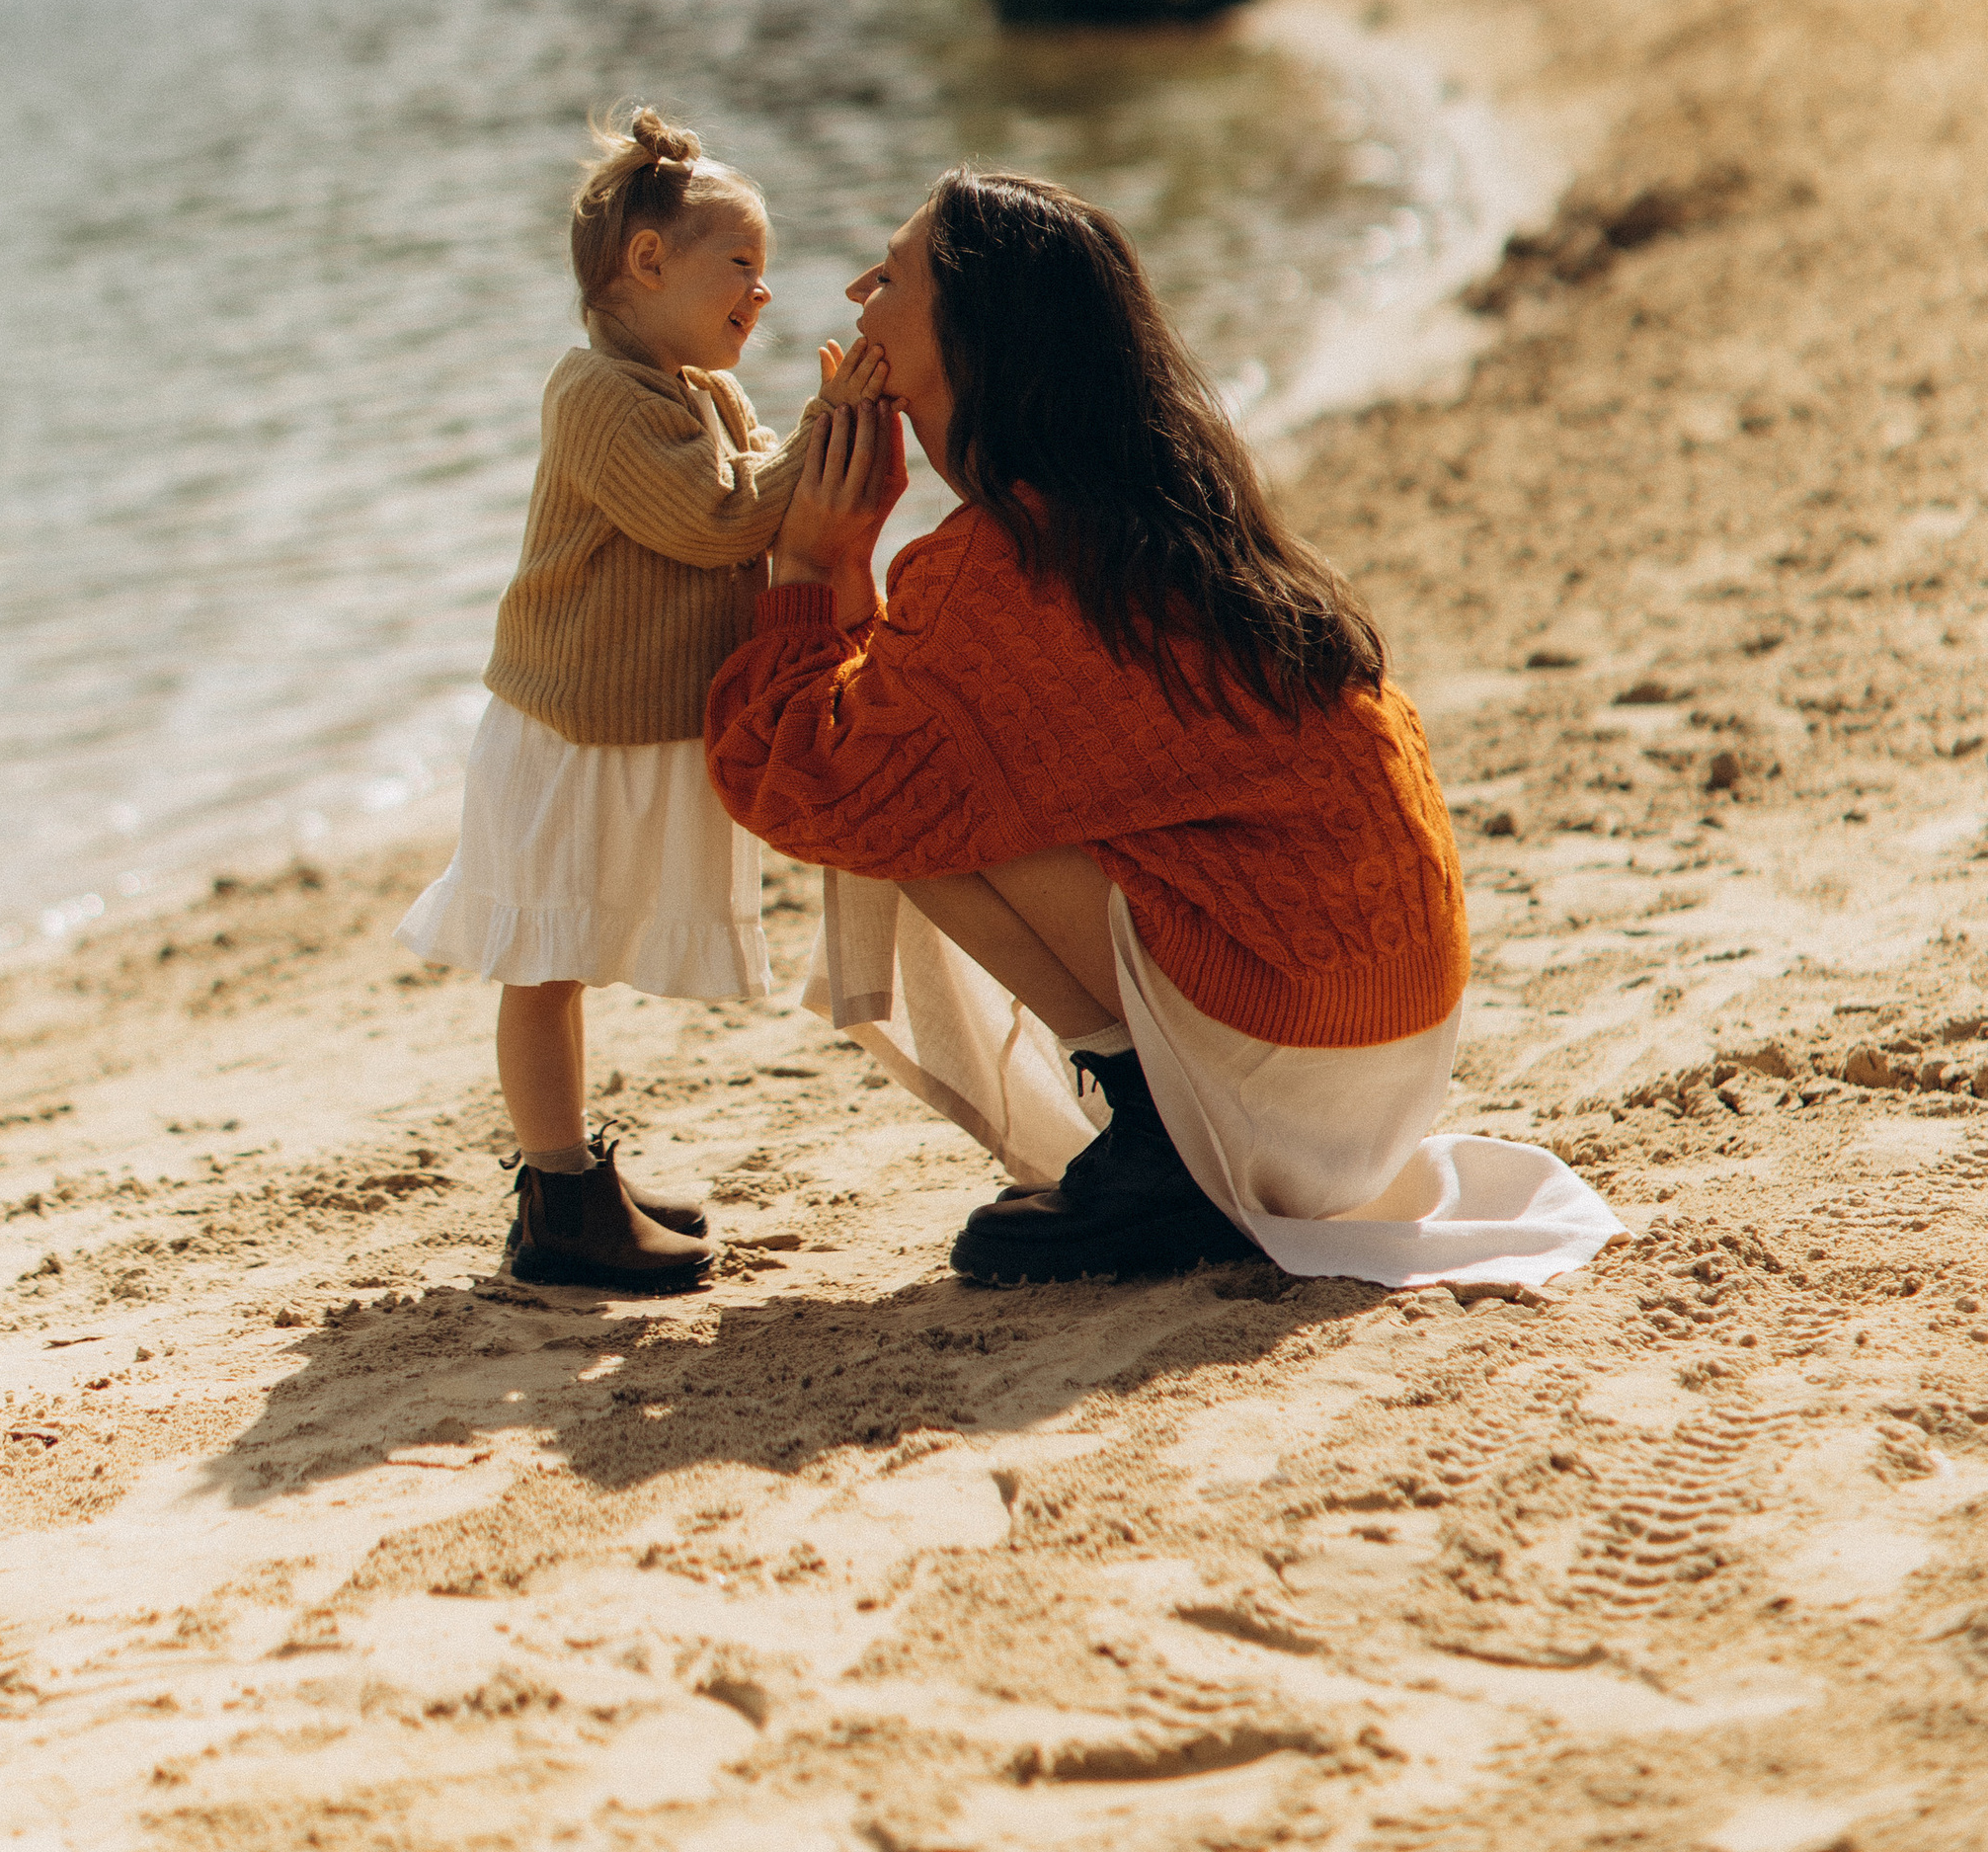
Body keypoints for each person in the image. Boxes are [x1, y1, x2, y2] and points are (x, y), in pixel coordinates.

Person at [707, 170, 1618, 1294]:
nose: (854, 291)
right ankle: (1159, 1135)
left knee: (908, 803)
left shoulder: (1013, 569)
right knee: (933, 774)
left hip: (1295, 1063)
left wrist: (812, 564)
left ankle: (1164, 1154)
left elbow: (809, 784)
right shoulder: (1158, 504)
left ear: (971, 330)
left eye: (890, 275)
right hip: (1385, 1051)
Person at [399, 106, 854, 1292]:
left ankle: (573, 1172)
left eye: (767, 268)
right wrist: (834, 426)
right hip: (564, 734)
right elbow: (716, 520)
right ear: (647, 264)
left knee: (576, 948)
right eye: (741, 263)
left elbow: (755, 484)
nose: (763, 291)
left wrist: (824, 442)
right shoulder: (598, 396)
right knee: (545, 964)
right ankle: (555, 1200)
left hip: (621, 729)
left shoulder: (693, 388)